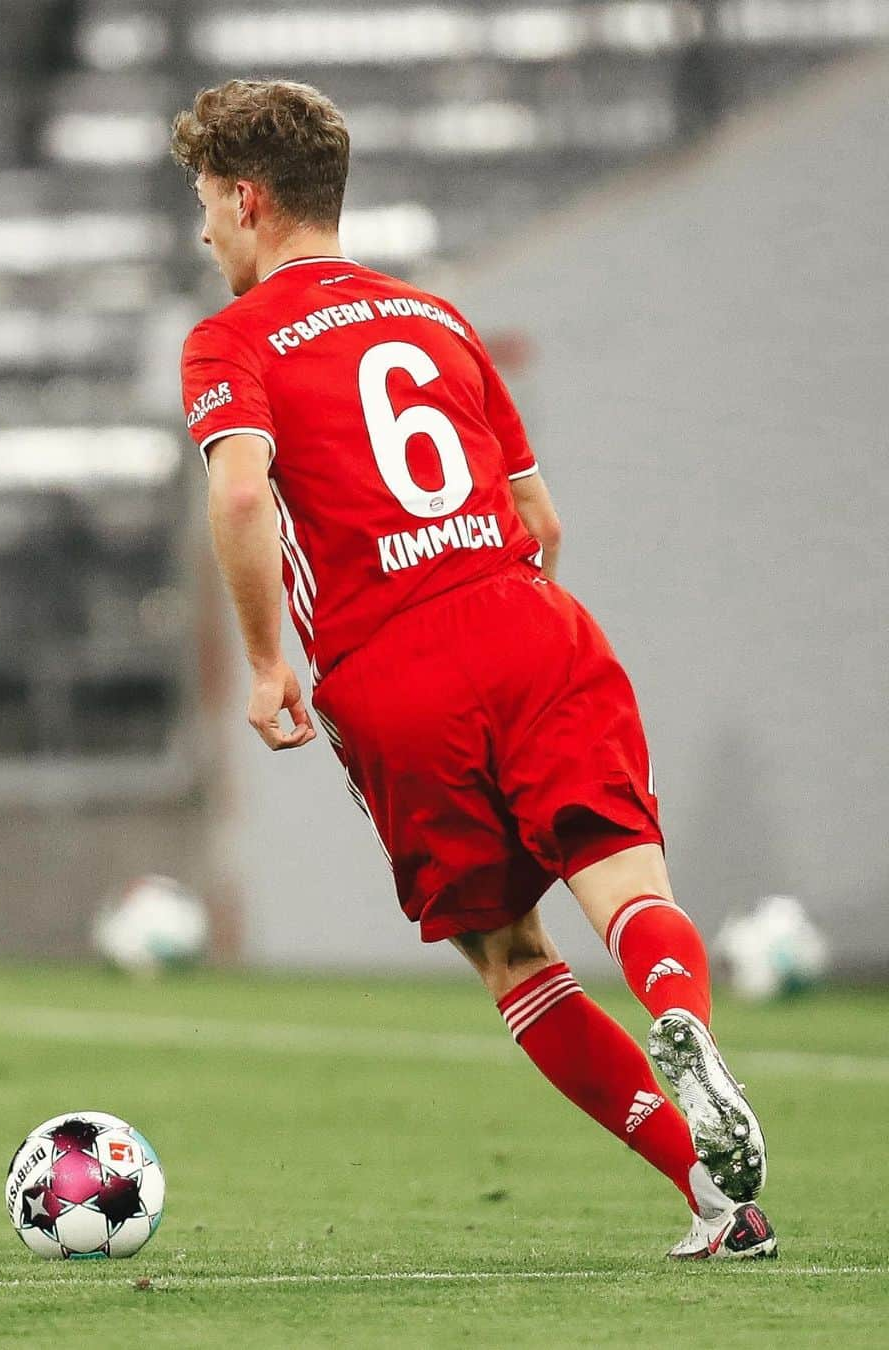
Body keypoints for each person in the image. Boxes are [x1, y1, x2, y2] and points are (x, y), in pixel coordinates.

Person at [172, 78, 776, 1261]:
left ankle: (713, 1195)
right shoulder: (438, 319)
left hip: (393, 668)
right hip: (528, 621)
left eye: (203, 204)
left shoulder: (231, 339)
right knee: (625, 886)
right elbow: (539, 517)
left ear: (248, 201)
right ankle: (683, 1020)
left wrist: (261, 662)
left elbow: (242, 490)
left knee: (512, 953)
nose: (201, 233)